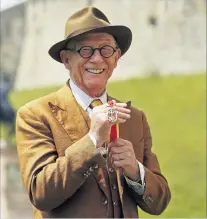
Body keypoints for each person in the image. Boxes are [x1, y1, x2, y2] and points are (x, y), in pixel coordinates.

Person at [16, 7, 171, 218]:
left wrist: (135, 171)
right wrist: (92, 141)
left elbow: (159, 203)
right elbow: (40, 193)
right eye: (85, 50)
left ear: (116, 58)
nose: (97, 59)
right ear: (66, 60)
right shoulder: (35, 115)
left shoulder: (134, 117)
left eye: (106, 49)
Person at [0, 72, 15, 146]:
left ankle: (6, 140)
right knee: (13, 123)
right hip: (5, 109)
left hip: (3, 109)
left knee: (8, 124)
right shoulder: (6, 86)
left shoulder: (3, 86)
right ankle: (7, 140)